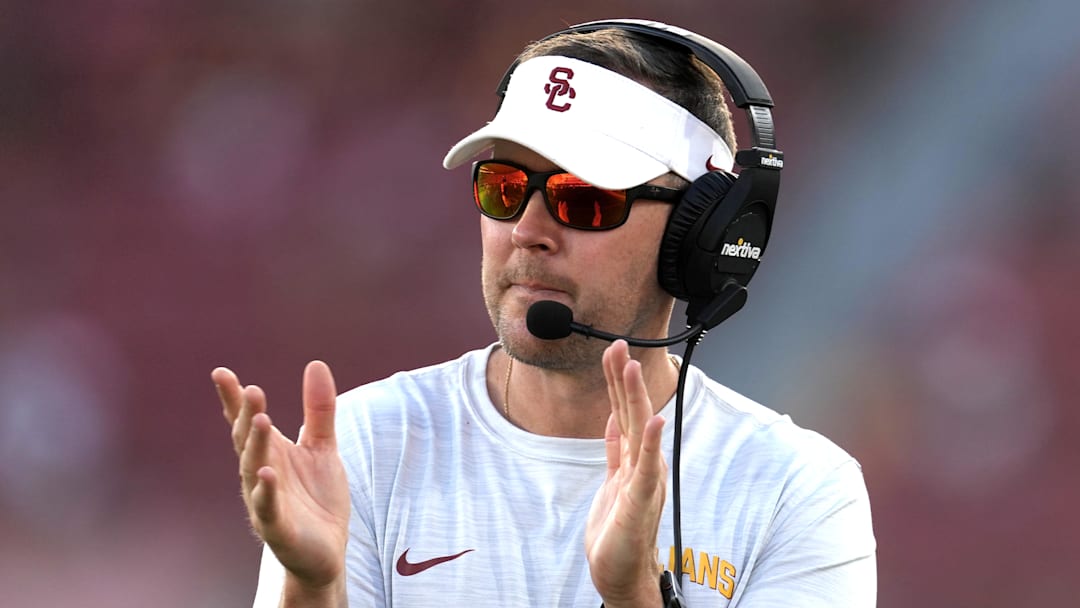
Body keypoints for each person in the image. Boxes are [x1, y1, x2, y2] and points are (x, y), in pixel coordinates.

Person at [213, 19, 876, 608]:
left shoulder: (798, 492)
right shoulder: (364, 444)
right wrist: (311, 589)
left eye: (583, 199)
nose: (526, 230)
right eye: (502, 188)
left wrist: (633, 598)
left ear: (701, 234)